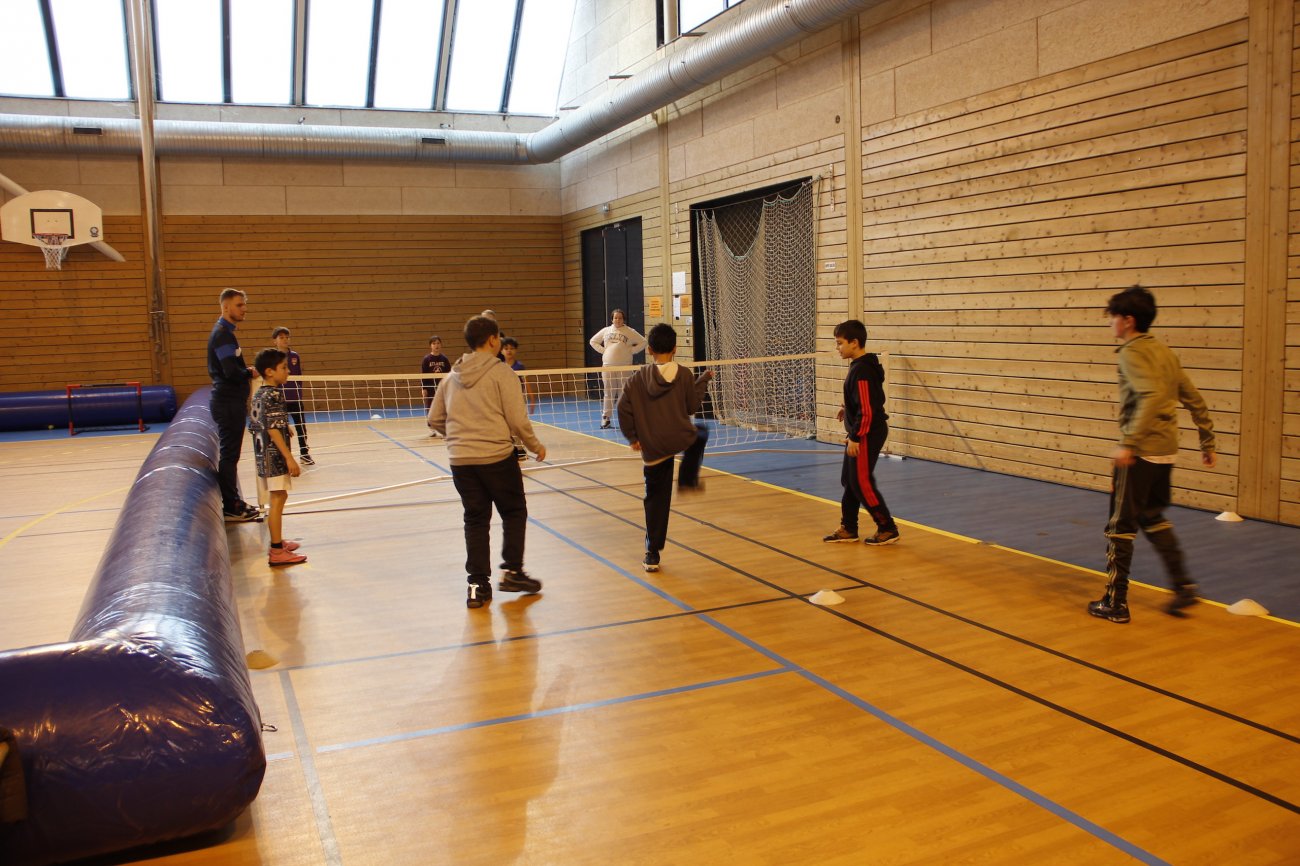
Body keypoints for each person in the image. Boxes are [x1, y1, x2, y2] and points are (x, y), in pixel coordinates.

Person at [1089, 286, 1216, 624]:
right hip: (1165, 451)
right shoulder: (1163, 351)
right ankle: (1183, 585)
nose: (1111, 324)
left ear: (1128, 321)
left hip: (1141, 453)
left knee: (1120, 527)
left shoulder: (1131, 352)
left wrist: (1129, 443)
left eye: (1113, 318)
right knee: (1152, 516)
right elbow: (1193, 397)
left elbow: (1150, 396)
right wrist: (1207, 440)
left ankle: (1115, 602)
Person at [428, 315, 547, 609]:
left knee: (475, 519)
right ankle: (513, 572)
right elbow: (517, 420)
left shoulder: (451, 377)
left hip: (461, 461)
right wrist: (535, 446)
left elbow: (434, 419)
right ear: (493, 340)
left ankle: (477, 584)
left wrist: (459, 439)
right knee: (514, 511)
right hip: (496, 457)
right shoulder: (502, 373)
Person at [617, 323, 713, 573]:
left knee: (656, 500)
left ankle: (652, 553)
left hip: (653, 447)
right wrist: (703, 380)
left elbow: (622, 408)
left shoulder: (637, 379)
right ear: (675, 349)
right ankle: (688, 480)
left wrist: (632, 437)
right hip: (677, 438)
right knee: (700, 432)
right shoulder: (684, 375)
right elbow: (692, 406)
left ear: (649, 350)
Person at [823, 319, 900, 546]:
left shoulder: (863, 370)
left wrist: (856, 437)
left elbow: (867, 410)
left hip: (867, 432)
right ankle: (849, 528)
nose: (837, 347)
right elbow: (864, 400)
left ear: (854, 343)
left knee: (861, 481)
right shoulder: (859, 366)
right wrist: (847, 409)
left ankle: (887, 527)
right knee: (849, 480)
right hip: (861, 430)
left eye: (840, 343)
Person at [207, 288, 262, 523]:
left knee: (232, 454)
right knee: (230, 455)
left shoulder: (227, 333)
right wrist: (249, 372)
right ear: (226, 307)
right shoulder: (222, 335)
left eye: (245, 304)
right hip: (228, 403)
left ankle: (234, 501)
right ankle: (231, 505)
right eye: (239, 305)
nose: (244, 309)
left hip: (231, 402)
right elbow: (230, 372)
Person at [248, 348, 307, 566]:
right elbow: (272, 429)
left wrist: (285, 426)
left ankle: (277, 541)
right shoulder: (273, 394)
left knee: (278, 497)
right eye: (284, 368)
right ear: (269, 371)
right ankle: (276, 550)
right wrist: (289, 458)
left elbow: (261, 422)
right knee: (278, 498)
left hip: (262, 455)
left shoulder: (260, 393)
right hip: (274, 457)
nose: (288, 371)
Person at [589, 309, 647, 428]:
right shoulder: (606, 330)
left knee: (623, 393)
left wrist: (632, 350)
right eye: (615, 318)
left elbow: (643, 342)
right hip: (608, 367)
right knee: (608, 393)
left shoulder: (630, 331)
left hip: (624, 366)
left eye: (620, 318)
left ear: (623, 319)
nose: (618, 320)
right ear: (612, 319)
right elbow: (593, 341)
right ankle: (606, 418)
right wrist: (604, 351)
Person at [271, 327, 314, 466]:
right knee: (281, 428)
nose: (285, 340)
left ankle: (304, 453)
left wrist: (298, 392)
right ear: (275, 341)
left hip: (295, 398)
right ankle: (283, 456)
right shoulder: (272, 357)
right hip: (280, 399)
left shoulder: (295, 356)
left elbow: (299, 375)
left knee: (301, 426)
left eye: (287, 337)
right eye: (281, 337)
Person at [501, 336, 538, 415]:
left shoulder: (519, 366)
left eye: (512, 348)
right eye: (506, 348)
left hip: (518, 398)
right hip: (504, 398)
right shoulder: (500, 367)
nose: (509, 351)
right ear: (501, 351)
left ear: (516, 350)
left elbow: (526, 382)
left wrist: (532, 399)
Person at [421, 335, 451, 412]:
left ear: (441, 345)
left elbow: (449, 374)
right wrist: (424, 388)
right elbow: (423, 375)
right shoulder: (426, 359)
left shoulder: (444, 359)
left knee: (444, 408)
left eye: (438, 343)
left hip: (442, 387)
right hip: (430, 388)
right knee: (431, 409)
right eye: (434, 343)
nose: (436, 345)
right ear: (430, 346)